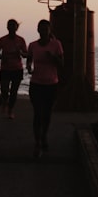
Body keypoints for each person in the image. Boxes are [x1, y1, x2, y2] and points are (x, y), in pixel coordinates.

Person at [25, 19, 63, 158]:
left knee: (46, 114)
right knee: (37, 113)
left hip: (51, 84)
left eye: (46, 29)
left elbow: (61, 63)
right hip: (36, 84)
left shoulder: (56, 44)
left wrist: (53, 57)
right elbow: (29, 60)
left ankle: (44, 136)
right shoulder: (33, 45)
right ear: (37, 30)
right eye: (41, 29)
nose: (43, 31)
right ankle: (37, 143)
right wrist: (29, 67)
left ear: (50, 30)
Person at [0, 19, 27, 119]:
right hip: (5, 68)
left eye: (14, 26)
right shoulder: (2, 39)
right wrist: (1, 57)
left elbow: (26, 54)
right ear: (7, 27)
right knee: (4, 90)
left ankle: (10, 110)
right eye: (10, 25)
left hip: (17, 68)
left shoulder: (21, 40)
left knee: (13, 91)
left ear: (17, 27)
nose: (12, 27)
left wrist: (21, 53)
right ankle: (4, 101)